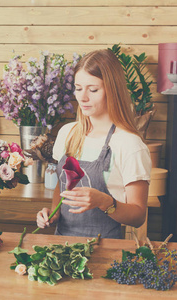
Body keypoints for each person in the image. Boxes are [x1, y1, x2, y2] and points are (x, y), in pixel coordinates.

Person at [36, 49, 152, 239]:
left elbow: (138, 216)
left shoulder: (130, 144)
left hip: (105, 249)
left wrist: (104, 202)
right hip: (61, 245)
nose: (82, 97)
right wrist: (53, 214)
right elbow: (62, 187)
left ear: (112, 90)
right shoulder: (68, 133)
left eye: (93, 89)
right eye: (78, 88)